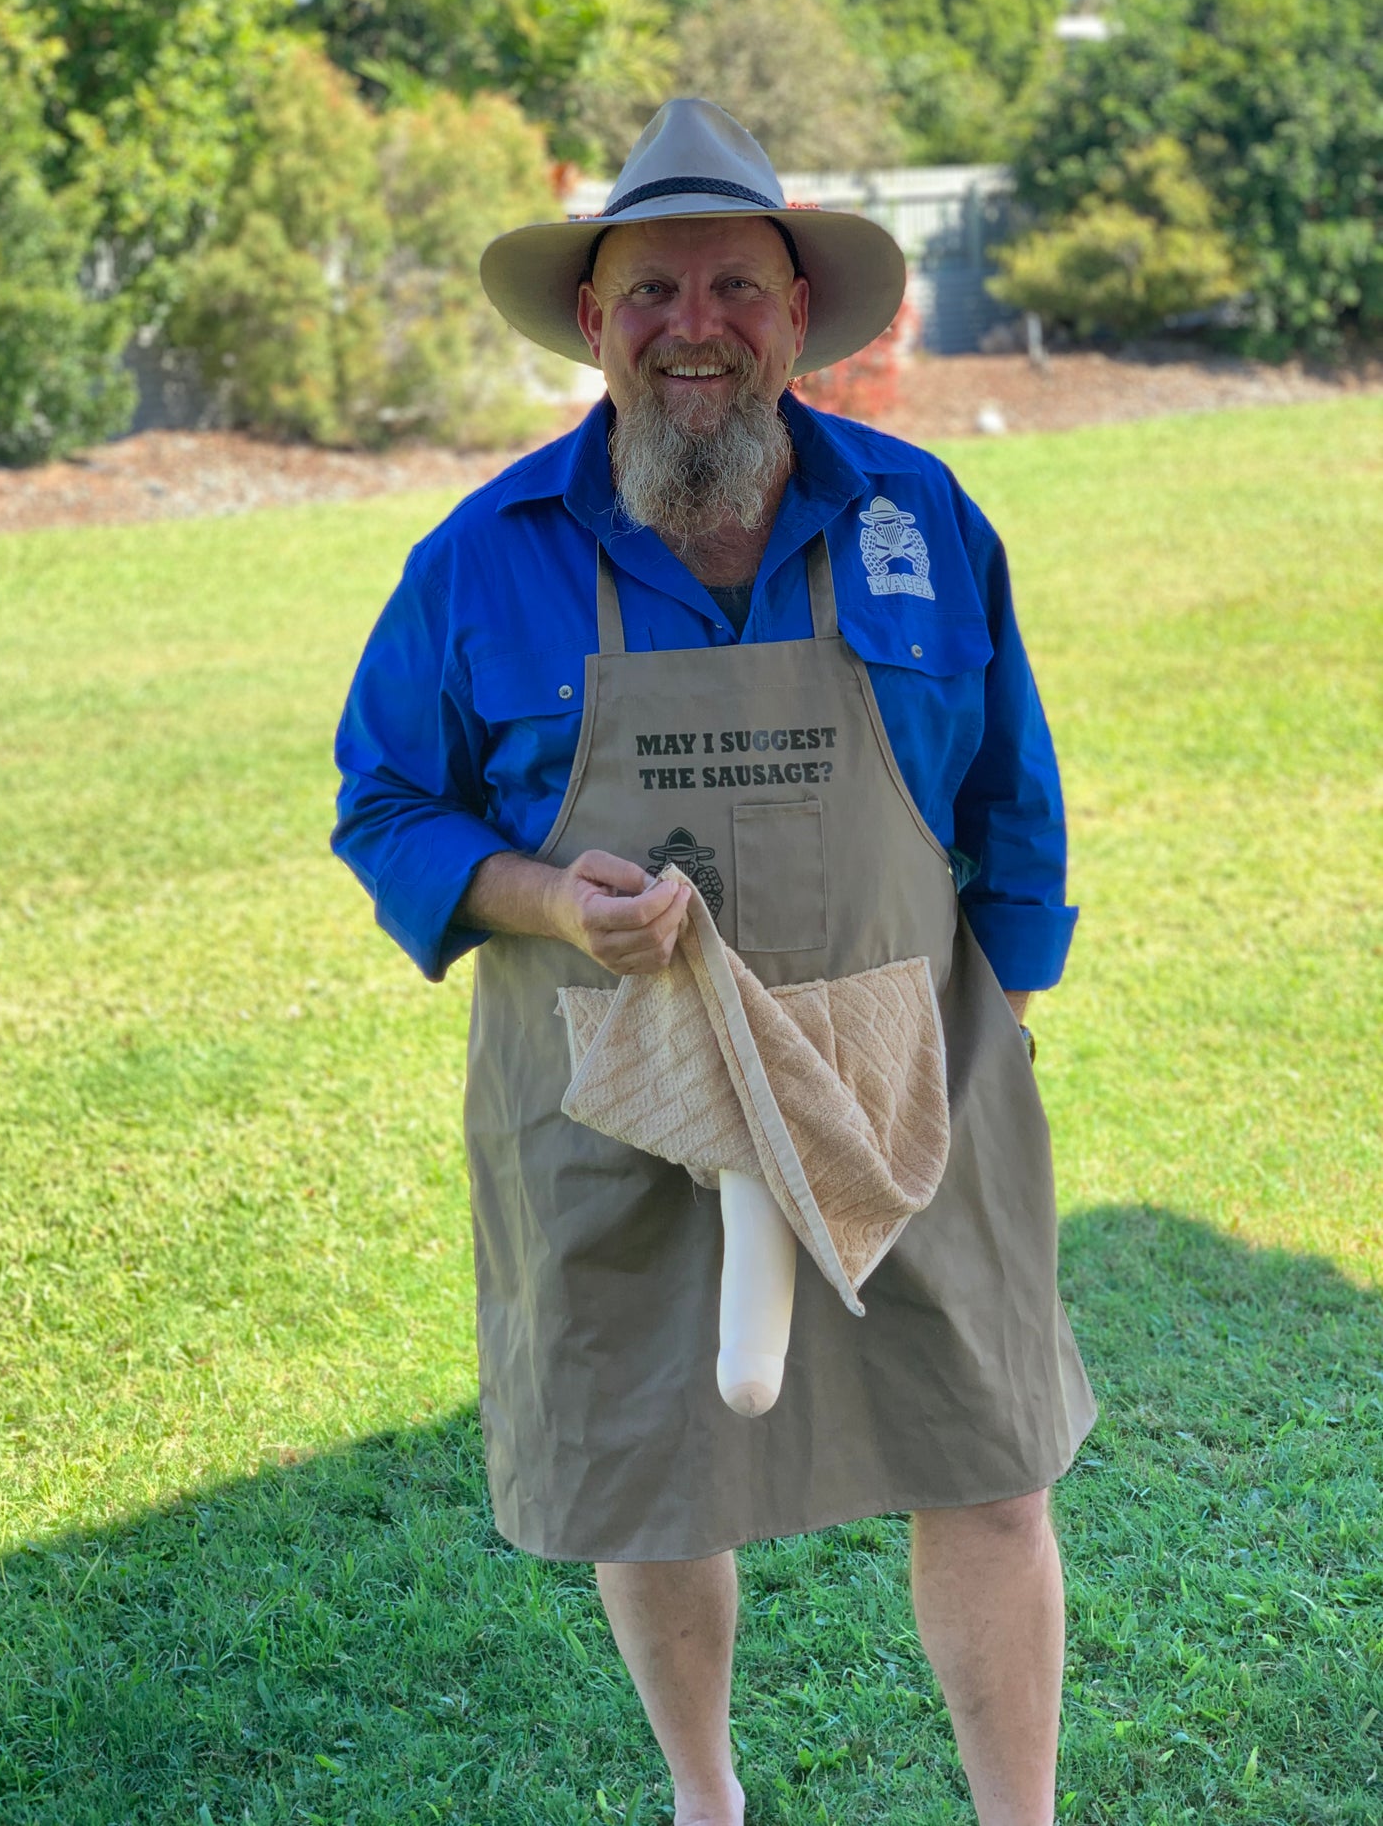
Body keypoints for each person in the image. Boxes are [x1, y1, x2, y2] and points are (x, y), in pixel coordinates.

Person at [332, 99, 1096, 1826]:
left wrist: (1005, 1025)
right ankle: (705, 1798)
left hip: (906, 1077)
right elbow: (383, 802)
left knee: (986, 1464)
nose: (697, 324)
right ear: (592, 320)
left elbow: (1012, 800)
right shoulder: (481, 562)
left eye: (736, 287)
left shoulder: (920, 516)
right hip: (615, 1096)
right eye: (654, 288)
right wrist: (540, 903)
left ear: (798, 314)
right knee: (655, 1475)